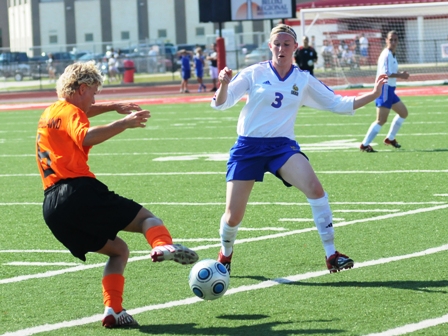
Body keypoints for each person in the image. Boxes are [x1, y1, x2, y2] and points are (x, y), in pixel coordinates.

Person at [210, 24, 387, 275]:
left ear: (295, 47)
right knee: (233, 216)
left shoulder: (302, 79)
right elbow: (220, 103)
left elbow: (338, 103)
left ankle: (331, 254)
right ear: (270, 47)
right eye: (277, 44)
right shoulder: (254, 72)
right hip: (248, 147)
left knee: (315, 189)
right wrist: (224, 84)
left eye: (286, 44)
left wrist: (373, 94)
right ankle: (225, 254)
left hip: (282, 146)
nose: (281, 48)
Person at [35, 61, 198, 328]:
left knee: (119, 250)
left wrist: (112, 105)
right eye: (94, 92)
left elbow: (83, 112)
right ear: (82, 88)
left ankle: (113, 310)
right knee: (148, 220)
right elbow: (85, 135)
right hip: (78, 191)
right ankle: (163, 245)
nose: (95, 98)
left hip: (53, 209)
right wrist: (123, 122)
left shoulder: (51, 112)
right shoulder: (70, 112)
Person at [360, 30, 410, 152]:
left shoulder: (392, 54)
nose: (393, 42)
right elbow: (385, 73)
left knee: (403, 113)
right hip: (384, 89)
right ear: (386, 40)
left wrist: (399, 75)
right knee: (381, 120)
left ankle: (390, 138)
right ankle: (365, 144)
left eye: (395, 40)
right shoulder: (386, 54)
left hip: (390, 90)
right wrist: (401, 75)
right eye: (391, 39)